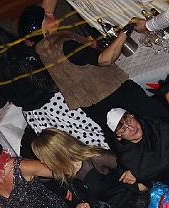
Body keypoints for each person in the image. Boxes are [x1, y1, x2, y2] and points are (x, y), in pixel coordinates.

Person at [20, 4, 169, 132]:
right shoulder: (62, 44)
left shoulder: (42, 54)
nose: (51, 15)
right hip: (115, 94)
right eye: (45, 17)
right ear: (42, 29)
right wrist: (126, 30)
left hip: (96, 108)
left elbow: (75, 68)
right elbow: (105, 59)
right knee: (161, 119)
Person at [0, 23, 108, 149]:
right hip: (55, 105)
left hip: (36, 116)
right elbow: (49, 85)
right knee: (93, 135)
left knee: (71, 145)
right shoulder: (19, 60)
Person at [32, 127, 144, 208]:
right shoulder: (64, 175)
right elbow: (86, 198)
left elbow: (140, 169)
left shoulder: (96, 158)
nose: (42, 161)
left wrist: (136, 179)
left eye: (43, 157)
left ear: (56, 155)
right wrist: (80, 205)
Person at [108, 108, 169, 185]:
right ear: (119, 137)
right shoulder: (123, 152)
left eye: (130, 121)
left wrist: (137, 174)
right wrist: (138, 185)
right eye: (123, 129)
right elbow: (124, 175)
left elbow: (165, 162)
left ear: (132, 115)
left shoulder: (159, 126)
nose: (131, 128)